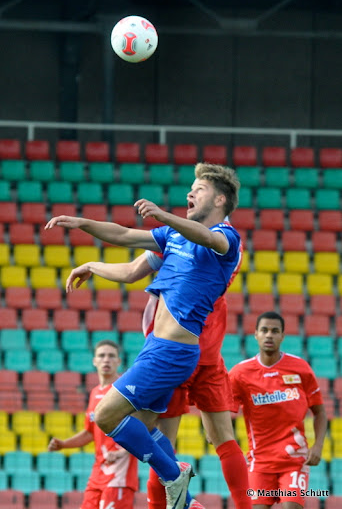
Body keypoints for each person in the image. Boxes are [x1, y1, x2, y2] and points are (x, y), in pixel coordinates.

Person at [45, 162, 242, 509]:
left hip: (173, 353)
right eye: (190, 188)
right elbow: (124, 235)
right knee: (147, 428)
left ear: (221, 199)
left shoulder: (227, 238)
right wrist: (82, 227)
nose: (190, 193)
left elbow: (206, 237)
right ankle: (185, 498)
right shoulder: (175, 237)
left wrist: (163, 215)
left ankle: (174, 476)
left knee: (106, 416)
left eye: (199, 189)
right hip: (157, 348)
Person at [66, 247, 251, 509]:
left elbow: (131, 264)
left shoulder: (180, 244)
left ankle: (181, 495)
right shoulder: (227, 251)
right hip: (209, 356)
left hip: (173, 354)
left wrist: (93, 263)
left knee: (153, 438)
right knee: (224, 439)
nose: (189, 205)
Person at [229, 311, 327, 509]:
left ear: (282, 336)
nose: (269, 335)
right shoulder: (240, 373)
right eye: (264, 330)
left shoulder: (300, 368)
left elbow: (320, 412)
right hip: (260, 461)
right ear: (255, 334)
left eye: (275, 331)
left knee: (291, 506)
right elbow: (222, 409)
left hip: (294, 458)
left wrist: (317, 446)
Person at [48, 340, 138, 509]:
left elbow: (142, 427)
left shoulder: (124, 391)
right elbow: (90, 432)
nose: (106, 360)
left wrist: (122, 452)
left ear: (119, 362)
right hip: (98, 472)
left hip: (119, 473)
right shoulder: (95, 393)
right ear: (94, 361)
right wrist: (64, 444)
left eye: (111, 356)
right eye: (102, 356)